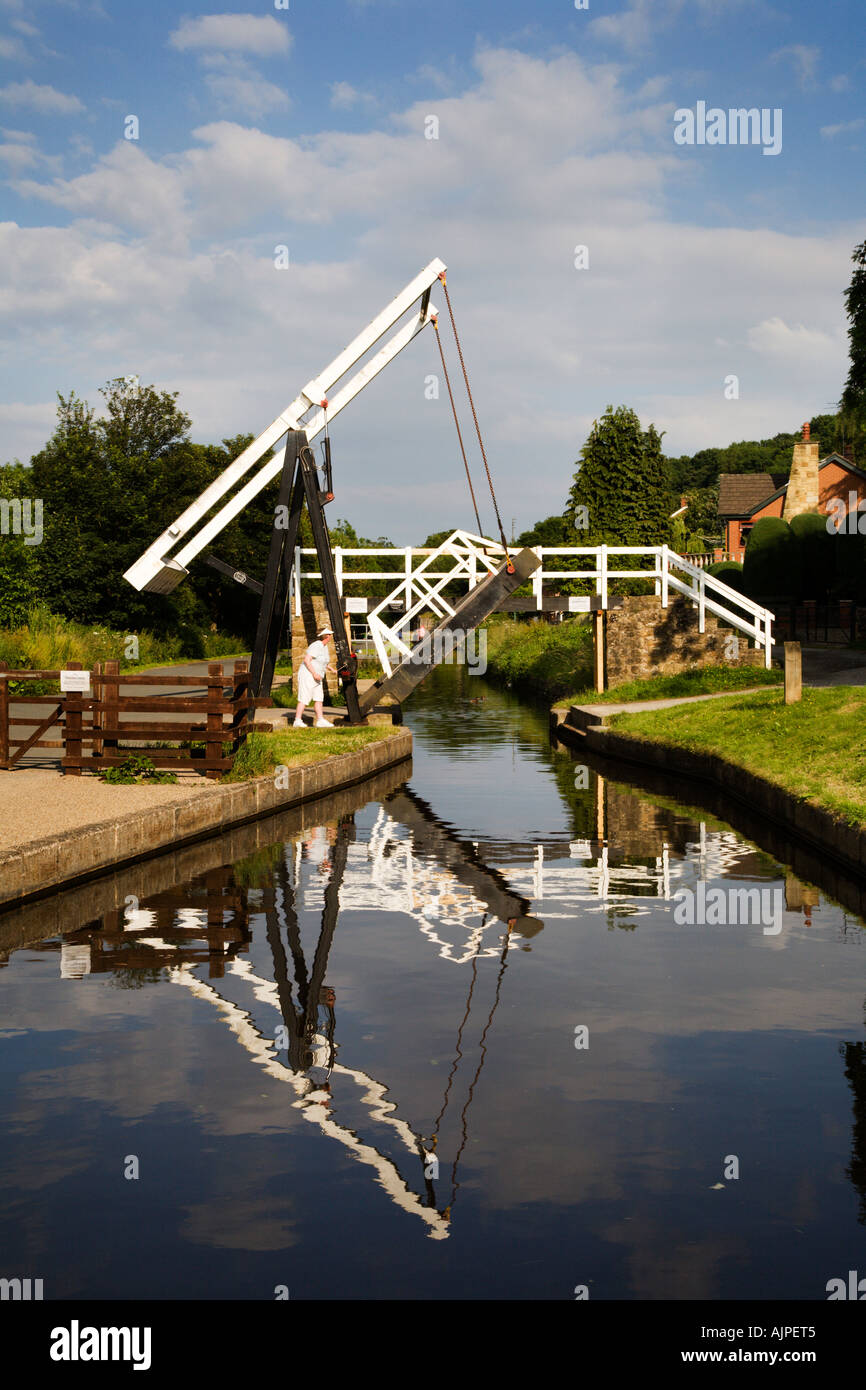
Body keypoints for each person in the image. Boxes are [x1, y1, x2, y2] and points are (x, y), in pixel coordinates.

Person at [294, 626, 336, 728]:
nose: (331, 636)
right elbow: (307, 660)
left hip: (317, 676)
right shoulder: (316, 645)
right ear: (326, 636)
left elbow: (321, 662)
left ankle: (320, 720)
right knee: (304, 697)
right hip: (308, 675)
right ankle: (297, 720)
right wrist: (314, 674)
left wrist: (331, 669)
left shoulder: (324, 647)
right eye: (329, 634)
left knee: (319, 698)